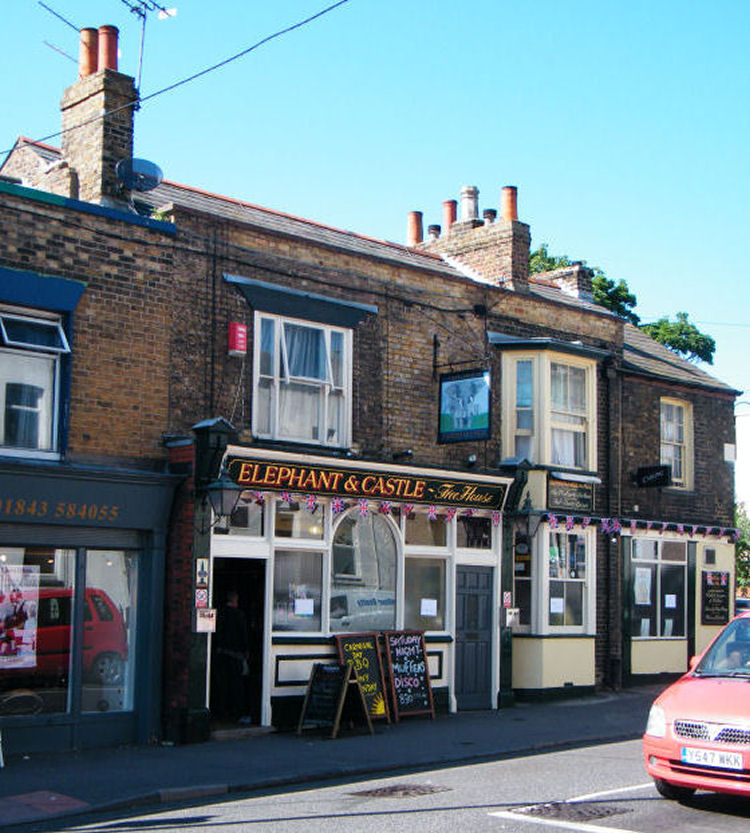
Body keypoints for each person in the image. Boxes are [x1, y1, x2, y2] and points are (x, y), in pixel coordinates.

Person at [212, 590, 249, 722]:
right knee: (236, 685)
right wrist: (246, 651)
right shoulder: (239, 615)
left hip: (221, 653)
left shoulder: (219, 614)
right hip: (235, 655)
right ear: (235, 601)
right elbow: (244, 634)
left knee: (222, 684)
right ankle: (236, 712)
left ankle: (221, 711)